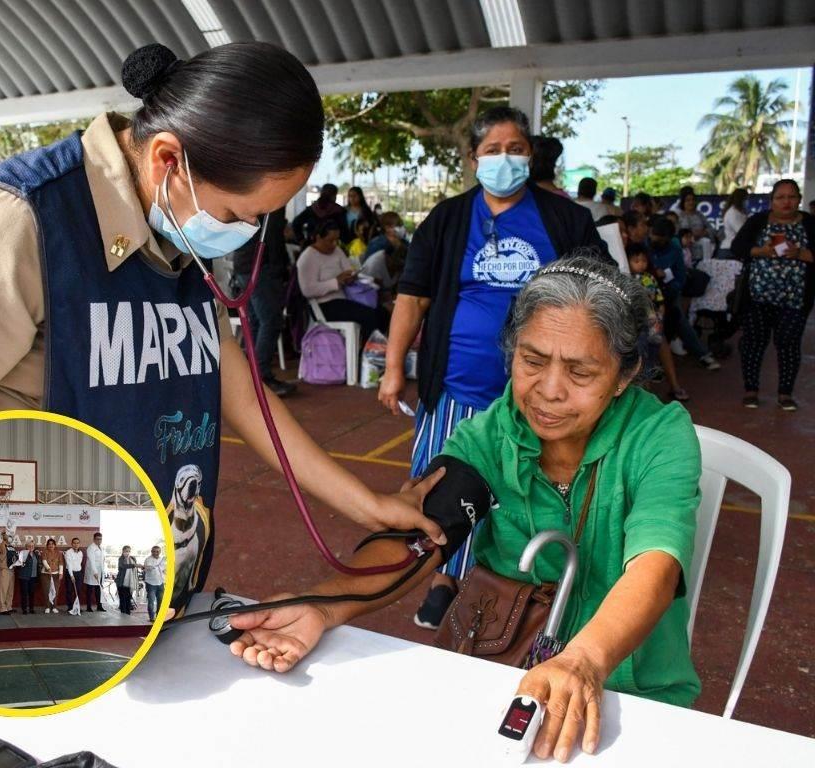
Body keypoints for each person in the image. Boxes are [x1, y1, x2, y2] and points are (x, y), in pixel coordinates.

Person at [0, 41, 444, 633]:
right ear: (168, 158)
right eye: (236, 214)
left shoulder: (177, 228)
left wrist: (369, 506)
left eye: (260, 218)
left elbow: (243, 396)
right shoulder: (19, 221)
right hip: (28, 612)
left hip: (144, 598)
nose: (244, 233)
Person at [229, 257, 702, 763]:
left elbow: (655, 566)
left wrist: (584, 659)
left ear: (625, 373)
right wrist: (323, 603)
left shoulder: (660, 435)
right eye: (532, 361)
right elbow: (422, 538)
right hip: (500, 672)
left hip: (631, 690)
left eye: (581, 371)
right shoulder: (489, 436)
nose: (549, 390)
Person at [377, 105, 610, 630]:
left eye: (516, 149)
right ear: (473, 158)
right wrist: (394, 369)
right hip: (457, 383)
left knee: (528, 484)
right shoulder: (449, 218)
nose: (505, 159)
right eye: (493, 150)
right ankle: (444, 576)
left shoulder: (565, 219)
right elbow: (412, 299)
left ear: (531, 155)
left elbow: (601, 292)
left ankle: (518, 583)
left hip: (542, 391)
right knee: (443, 480)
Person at [732, 178, 814, 411]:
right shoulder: (758, 221)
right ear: (771, 201)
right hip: (757, 297)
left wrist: (800, 253)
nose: (786, 202)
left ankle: (785, 393)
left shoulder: (809, 223)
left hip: (795, 299)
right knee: (753, 342)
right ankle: (751, 389)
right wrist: (763, 251)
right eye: (780, 197)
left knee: (788, 343)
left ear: (799, 199)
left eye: (792, 197)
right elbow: (738, 248)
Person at [230, 206, 295, 396]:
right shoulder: (273, 200)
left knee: (257, 321)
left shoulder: (255, 192)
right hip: (260, 265)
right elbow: (272, 237)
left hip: (245, 263)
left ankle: (253, 376)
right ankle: (261, 377)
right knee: (270, 320)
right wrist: (280, 268)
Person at [648, 217, 720, 371]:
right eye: (654, 236)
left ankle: (702, 353)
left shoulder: (674, 248)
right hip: (646, 293)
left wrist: (670, 287)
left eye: (661, 239)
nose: (656, 241)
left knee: (680, 321)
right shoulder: (645, 245)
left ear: (668, 238)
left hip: (668, 293)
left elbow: (680, 277)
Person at [297, 219, 385, 344]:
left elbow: (348, 270)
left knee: (381, 313)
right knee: (368, 316)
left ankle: (378, 351)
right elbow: (307, 290)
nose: (334, 244)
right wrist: (336, 281)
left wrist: (350, 277)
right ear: (318, 238)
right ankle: (368, 356)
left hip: (344, 299)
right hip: (324, 305)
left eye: (337, 240)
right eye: (330, 240)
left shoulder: (337, 251)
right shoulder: (308, 257)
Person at [627, 243, 688, 402]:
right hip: (637, 324)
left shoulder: (650, 278)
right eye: (636, 261)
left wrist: (660, 312)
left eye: (643, 261)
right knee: (640, 354)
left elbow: (659, 297)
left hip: (653, 321)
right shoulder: (626, 280)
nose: (641, 264)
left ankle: (651, 379)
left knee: (652, 350)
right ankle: (644, 387)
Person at [359, 220, 407, 309]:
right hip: (370, 301)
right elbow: (374, 296)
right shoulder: (375, 265)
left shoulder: (400, 264)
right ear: (387, 256)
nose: (397, 266)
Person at [719, 188, 748, 258]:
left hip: (736, 248)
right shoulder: (732, 213)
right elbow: (741, 231)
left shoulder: (741, 213)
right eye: (745, 199)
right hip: (729, 250)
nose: (747, 201)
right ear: (740, 200)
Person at [141, 545, 166, 622]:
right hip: (151, 584)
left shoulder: (162, 559)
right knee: (151, 601)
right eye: (154, 551)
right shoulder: (148, 560)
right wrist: (148, 567)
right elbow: (145, 569)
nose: (156, 553)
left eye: (157, 551)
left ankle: (159, 617)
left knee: (161, 602)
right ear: (151, 552)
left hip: (160, 583)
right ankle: (152, 618)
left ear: (160, 552)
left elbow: (163, 570)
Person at [40, 538, 64, 613]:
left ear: (55, 545)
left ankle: (54, 607)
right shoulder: (44, 552)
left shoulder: (59, 553)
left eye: (52, 544)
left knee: (55, 591)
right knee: (47, 591)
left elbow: (61, 563)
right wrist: (48, 568)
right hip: (46, 574)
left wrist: (60, 573)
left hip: (56, 575)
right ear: (47, 545)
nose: (51, 545)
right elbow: (44, 561)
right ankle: (47, 607)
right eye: (49, 544)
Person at [84, 532, 106, 612]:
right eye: (97, 539)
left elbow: (102, 561)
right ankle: (88, 607)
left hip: (100, 572)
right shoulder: (91, 548)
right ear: (94, 539)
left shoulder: (101, 548)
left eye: (100, 539)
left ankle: (99, 606)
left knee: (98, 590)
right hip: (92, 572)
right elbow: (92, 561)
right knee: (90, 590)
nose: (99, 541)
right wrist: (95, 572)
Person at [0, 531, 17, 615]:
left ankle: (9, 606)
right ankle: (3, 608)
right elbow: (0, 551)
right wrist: (4, 538)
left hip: (11, 570)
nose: (10, 537)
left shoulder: (11, 546)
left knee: (10, 590)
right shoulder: (1, 546)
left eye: (10, 536)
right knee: (3, 590)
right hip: (4, 569)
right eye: (8, 536)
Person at [17, 541, 39, 615]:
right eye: (29, 546)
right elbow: (18, 565)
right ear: (26, 547)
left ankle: (31, 608)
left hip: (33, 576)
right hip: (24, 577)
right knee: (24, 593)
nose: (31, 547)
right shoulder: (23, 554)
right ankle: (24, 609)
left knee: (32, 593)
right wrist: (21, 564)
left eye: (32, 545)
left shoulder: (36, 554)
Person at [64, 536, 85, 613]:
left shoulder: (81, 553)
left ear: (79, 544)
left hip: (79, 573)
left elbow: (79, 563)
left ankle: (77, 606)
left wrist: (77, 574)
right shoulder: (68, 552)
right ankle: (70, 607)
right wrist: (71, 575)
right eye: (74, 543)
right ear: (72, 544)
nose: (76, 545)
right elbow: (69, 565)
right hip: (70, 573)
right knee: (69, 591)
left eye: (77, 543)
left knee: (78, 590)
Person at [116, 546, 138, 614]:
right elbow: (123, 566)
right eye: (126, 551)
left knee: (128, 598)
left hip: (130, 582)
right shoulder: (121, 559)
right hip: (121, 581)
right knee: (122, 598)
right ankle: (123, 612)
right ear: (122, 551)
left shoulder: (132, 558)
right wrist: (134, 565)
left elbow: (135, 569)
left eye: (128, 551)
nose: (127, 553)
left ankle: (128, 612)